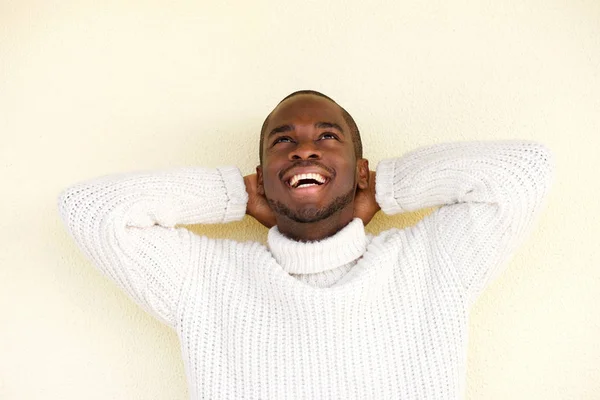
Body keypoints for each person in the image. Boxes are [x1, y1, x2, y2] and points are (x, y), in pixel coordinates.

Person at [58, 90, 554, 399]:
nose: (304, 148)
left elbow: (524, 172)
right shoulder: (207, 278)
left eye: (327, 136)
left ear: (359, 169)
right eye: (283, 141)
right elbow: (92, 210)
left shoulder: (430, 262)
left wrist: (384, 188)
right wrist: (234, 195)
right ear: (263, 179)